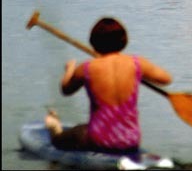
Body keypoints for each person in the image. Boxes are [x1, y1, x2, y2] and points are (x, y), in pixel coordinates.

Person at [44, 17, 172, 152]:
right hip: (131, 140)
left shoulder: (87, 68)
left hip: (98, 140)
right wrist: (140, 73)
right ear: (123, 40)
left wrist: (69, 69)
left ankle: (55, 130)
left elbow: (66, 89)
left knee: (76, 132)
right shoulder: (137, 63)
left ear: (94, 42)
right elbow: (166, 79)